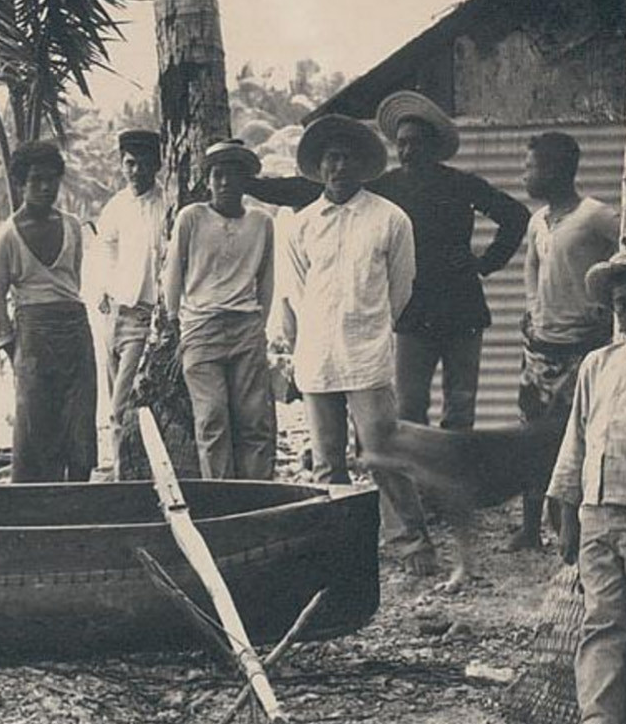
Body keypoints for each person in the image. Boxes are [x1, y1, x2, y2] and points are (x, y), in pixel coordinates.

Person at [248, 91, 529, 432]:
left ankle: (452, 483)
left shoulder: (462, 185)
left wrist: (484, 263)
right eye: (402, 144)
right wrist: (253, 187)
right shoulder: (386, 187)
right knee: (410, 408)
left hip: (462, 308)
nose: (408, 151)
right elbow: (309, 189)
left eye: (416, 143)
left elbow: (515, 215)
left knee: (460, 408)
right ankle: (418, 482)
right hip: (414, 314)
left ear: (433, 144)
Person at [278, 114, 438, 575]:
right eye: (331, 157)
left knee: (382, 452)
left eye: (348, 157)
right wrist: (311, 337)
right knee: (327, 463)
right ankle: (340, 551)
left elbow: (400, 288)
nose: (339, 165)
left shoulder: (389, 219)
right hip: (318, 354)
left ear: (362, 165)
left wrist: (369, 325)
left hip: (367, 352)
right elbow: (298, 292)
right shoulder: (301, 224)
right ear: (319, 165)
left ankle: (412, 544)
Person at [544, 250, 626, 724]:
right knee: (601, 621)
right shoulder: (599, 363)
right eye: (622, 306)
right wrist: (567, 506)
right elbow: (577, 442)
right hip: (598, 512)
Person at [512, 131, 620, 551]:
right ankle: (529, 528)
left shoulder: (595, 215)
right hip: (540, 350)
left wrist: (607, 313)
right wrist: (531, 310)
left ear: (557, 170)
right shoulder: (537, 220)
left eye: (530, 167)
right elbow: (532, 267)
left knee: (579, 439)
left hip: (582, 351)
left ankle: (575, 531)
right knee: (531, 439)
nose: (524, 175)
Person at [0, 139, 98, 483]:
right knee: (36, 426)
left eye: (52, 179)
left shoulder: (73, 225)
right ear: (20, 183)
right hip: (32, 336)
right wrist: (11, 345)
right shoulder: (7, 236)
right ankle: (35, 504)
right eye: (35, 180)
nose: (45, 187)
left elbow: (72, 279)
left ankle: (78, 499)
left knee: (79, 422)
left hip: (76, 330)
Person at [164, 138, 276, 480]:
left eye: (233, 175)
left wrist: (260, 324)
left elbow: (267, 278)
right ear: (208, 180)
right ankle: (221, 495)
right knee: (212, 417)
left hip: (246, 327)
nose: (225, 183)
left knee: (254, 419)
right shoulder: (192, 218)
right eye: (218, 175)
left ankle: (257, 497)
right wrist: (174, 322)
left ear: (245, 181)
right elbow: (174, 272)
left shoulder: (261, 222)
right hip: (200, 327)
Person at [95, 128, 166, 477]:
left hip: (146, 316)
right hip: (115, 315)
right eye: (129, 163)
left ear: (156, 165)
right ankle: (124, 470)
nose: (136, 171)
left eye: (143, 164)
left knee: (123, 402)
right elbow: (105, 248)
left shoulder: (166, 204)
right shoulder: (116, 206)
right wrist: (105, 289)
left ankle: (127, 475)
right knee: (114, 402)